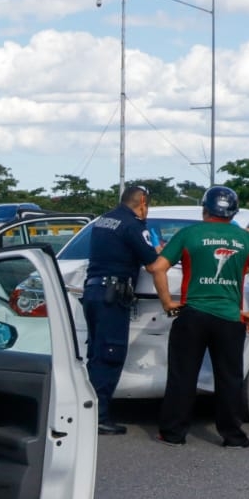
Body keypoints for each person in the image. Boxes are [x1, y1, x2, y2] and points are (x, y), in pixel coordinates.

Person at [148, 187, 249, 448]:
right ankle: (232, 435)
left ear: (205, 209)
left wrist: (168, 303)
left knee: (183, 376)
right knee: (229, 378)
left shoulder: (189, 234)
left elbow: (158, 268)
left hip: (192, 315)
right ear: (233, 212)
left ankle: (173, 433)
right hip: (230, 318)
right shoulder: (245, 239)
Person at [81, 185, 156, 434]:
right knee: (110, 355)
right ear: (142, 202)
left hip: (92, 293)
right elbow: (153, 263)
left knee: (96, 354)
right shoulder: (132, 225)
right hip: (112, 297)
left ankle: (87, 412)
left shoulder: (103, 220)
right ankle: (99, 418)